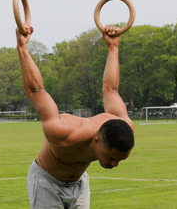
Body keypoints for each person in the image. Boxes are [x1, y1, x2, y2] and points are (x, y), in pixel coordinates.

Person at [16, 24, 134, 209]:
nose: (115, 164)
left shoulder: (123, 125)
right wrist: (22, 47)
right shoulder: (63, 133)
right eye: (112, 157)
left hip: (79, 183)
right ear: (96, 140)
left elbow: (111, 89)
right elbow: (37, 91)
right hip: (47, 181)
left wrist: (113, 47)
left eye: (120, 159)